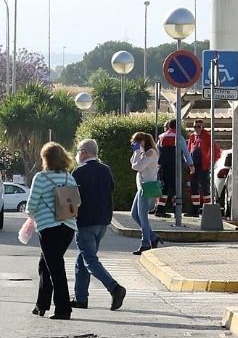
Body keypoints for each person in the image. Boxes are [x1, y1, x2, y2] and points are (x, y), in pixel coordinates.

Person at [72, 139, 126, 311]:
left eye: (79, 150)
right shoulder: (106, 170)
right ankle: (81, 298)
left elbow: (73, 197)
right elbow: (111, 189)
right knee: (83, 259)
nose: (78, 154)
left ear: (85, 152)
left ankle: (114, 288)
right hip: (102, 221)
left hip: (85, 221)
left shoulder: (78, 172)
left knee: (89, 260)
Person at [30, 142, 79, 320]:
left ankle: (63, 309)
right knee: (45, 265)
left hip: (48, 228)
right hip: (67, 227)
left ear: (46, 159)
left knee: (55, 268)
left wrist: (31, 214)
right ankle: (41, 305)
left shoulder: (41, 178)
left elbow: (31, 204)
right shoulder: (69, 178)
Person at [128, 130, 160, 255]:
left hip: (147, 187)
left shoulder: (151, 153)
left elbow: (137, 167)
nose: (134, 144)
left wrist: (137, 151)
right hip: (141, 187)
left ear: (142, 141)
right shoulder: (144, 153)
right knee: (134, 214)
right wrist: (136, 152)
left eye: (136, 142)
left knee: (143, 217)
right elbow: (133, 162)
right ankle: (153, 237)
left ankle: (145, 243)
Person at [154, 120, 179, 217]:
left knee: (163, 188)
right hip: (174, 166)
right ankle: (177, 210)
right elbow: (185, 152)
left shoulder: (161, 137)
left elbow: (157, 151)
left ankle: (159, 209)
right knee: (175, 189)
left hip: (163, 166)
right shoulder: (178, 137)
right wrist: (189, 164)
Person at [189, 123, 214, 206]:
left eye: (198, 126)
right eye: (194, 126)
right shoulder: (192, 136)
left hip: (203, 165)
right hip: (193, 164)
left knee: (204, 186)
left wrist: (210, 162)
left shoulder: (207, 136)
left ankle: (207, 207)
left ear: (202, 127)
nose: (196, 128)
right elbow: (189, 148)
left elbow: (213, 150)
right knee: (193, 186)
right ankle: (195, 208)